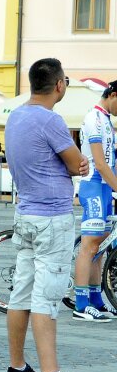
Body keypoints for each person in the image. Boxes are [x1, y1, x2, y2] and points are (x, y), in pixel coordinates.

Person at [4, 59, 92, 372]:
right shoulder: (51, 120)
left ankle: (17, 366)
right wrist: (74, 164)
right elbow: (76, 163)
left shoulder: (16, 116)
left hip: (25, 213)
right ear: (58, 85)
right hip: (52, 218)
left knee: (21, 292)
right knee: (47, 294)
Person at [71, 80, 117, 321]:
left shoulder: (107, 120)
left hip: (105, 188)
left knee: (99, 247)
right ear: (113, 95)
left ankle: (96, 300)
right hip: (93, 185)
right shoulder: (94, 118)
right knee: (89, 246)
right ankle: (80, 304)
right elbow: (99, 163)